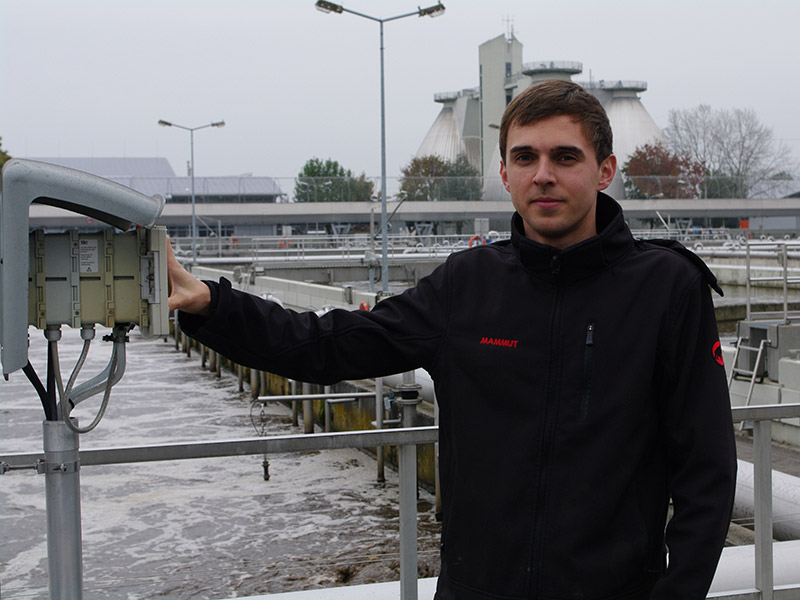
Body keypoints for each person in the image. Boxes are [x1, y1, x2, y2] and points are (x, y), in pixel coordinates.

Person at [168, 80, 737, 600]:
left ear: (605, 169)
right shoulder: (468, 285)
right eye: (526, 157)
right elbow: (329, 343)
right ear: (505, 172)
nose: (544, 174)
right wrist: (213, 305)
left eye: (566, 157)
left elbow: (706, 471)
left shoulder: (667, 289)